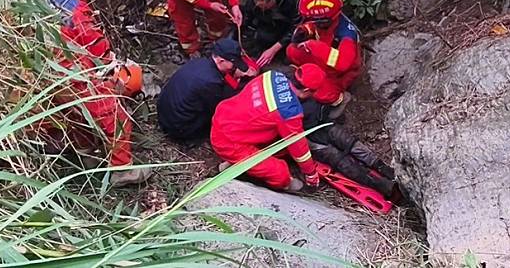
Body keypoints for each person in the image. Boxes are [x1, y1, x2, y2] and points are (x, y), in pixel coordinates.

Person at [32, 0, 151, 186]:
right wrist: (112, 66)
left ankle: (87, 155)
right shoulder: (71, 8)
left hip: (47, 71)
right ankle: (122, 170)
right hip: (72, 70)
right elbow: (93, 44)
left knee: (75, 110)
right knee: (115, 115)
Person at [210, 64, 327, 192]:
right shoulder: (288, 112)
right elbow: (298, 147)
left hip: (225, 117)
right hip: (229, 141)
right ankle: (234, 166)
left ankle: (235, 165)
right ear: (306, 90)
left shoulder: (273, 75)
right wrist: (311, 174)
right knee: (280, 173)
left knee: (277, 144)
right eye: (313, 92)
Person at [301, 100, 401, 201]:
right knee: (338, 156)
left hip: (320, 123)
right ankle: (380, 182)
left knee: (346, 145)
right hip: (310, 131)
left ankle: (382, 172)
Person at [157, 38, 253, 143]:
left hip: (164, 112)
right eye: (234, 64)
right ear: (221, 60)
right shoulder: (211, 82)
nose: (235, 67)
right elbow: (219, 107)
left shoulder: (200, 62)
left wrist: (233, 74)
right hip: (177, 127)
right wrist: (237, 81)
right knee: (224, 116)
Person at [286, 0, 362, 109]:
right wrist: (304, 30)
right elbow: (314, 26)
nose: (309, 20)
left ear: (323, 21)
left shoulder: (346, 36)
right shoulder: (325, 22)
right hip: (322, 59)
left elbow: (343, 64)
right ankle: (308, 76)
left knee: (324, 94)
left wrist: (314, 46)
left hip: (338, 72)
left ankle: (340, 98)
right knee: (292, 51)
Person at [242, 0, 301, 68]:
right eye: (259, 7)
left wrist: (274, 49)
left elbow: (296, 26)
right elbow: (247, 16)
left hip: (287, 24)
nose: (261, 8)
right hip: (269, 22)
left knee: (291, 51)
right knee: (262, 37)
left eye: (264, 7)